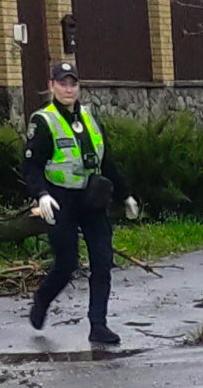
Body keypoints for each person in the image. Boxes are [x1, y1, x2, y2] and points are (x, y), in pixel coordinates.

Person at [22, 60, 138, 346]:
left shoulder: (88, 117)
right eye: (62, 83)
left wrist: (126, 194)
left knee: (102, 260)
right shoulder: (44, 121)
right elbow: (31, 166)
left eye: (73, 83)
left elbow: (106, 159)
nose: (68, 89)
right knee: (67, 263)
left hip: (93, 198)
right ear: (51, 86)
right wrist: (41, 194)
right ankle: (42, 299)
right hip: (60, 199)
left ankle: (98, 324)